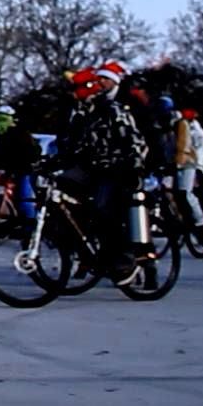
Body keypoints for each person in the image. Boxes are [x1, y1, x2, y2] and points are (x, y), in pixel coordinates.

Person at [67, 61, 150, 278]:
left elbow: (134, 139)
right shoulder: (84, 111)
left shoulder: (114, 107)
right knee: (74, 202)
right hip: (95, 168)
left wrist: (135, 167)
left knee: (108, 209)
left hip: (117, 169)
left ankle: (131, 260)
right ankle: (88, 254)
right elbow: (78, 145)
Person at [0, 104, 42, 219]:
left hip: (23, 172)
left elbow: (31, 154)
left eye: (3, 119)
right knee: (9, 200)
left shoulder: (21, 134)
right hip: (12, 173)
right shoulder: (0, 138)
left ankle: (29, 227)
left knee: (24, 199)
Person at [171, 108, 203, 228]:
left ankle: (201, 219)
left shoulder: (197, 132)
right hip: (181, 164)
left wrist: (197, 169)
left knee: (188, 193)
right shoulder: (173, 130)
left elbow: (200, 151)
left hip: (194, 166)